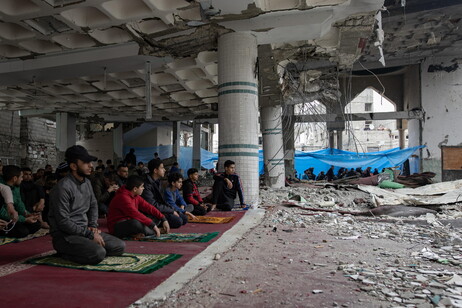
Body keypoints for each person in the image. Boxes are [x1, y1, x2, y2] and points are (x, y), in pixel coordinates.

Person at [49, 145, 125, 265]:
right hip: (65, 236)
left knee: (119, 246)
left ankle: (84, 249)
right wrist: (89, 234)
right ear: (73, 166)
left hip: (85, 231)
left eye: (90, 162)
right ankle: (65, 253)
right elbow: (63, 222)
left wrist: (93, 225)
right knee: (98, 253)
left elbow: (94, 205)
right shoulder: (63, 188)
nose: (91, 166)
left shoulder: (87, 183)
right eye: (86, 163)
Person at [141, 159, 185, 229]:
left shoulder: (158, 182)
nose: (164, 170)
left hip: (160, 208)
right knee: (178, 221)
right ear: (155, 170)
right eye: (162, 168)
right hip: (151, 211)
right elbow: (152, 205)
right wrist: (171, 211)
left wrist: (173, 210)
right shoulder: (146, 184)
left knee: (184, 218)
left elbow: (163, 201)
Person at [0, 165, 40, 237]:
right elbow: (3, 213)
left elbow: (19, 202)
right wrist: (24, 219)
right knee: (22, 231)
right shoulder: (2, 188)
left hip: (14, 217)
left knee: (36, 225)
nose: (22, 179)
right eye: (21, 177)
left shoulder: (16, 186)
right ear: (15, 178)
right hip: (4, 219)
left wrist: (26, 214)